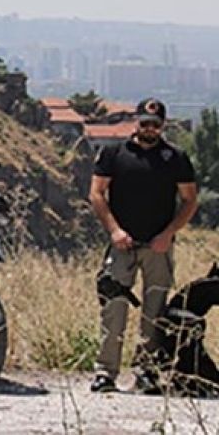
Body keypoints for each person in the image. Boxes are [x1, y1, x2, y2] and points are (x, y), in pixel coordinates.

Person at [89, 98, 198, 394]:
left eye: (156, 124)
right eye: (145, 123)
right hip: (122, 243)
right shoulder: (114, 153)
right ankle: (105, 372)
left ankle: (145, 371)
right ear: (136, 122)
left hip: (158, 246)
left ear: (163, 125)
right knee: (113, 307)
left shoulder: (175, 157)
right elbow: (97, 193)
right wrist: (114, 231)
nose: (149, 129)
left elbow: (190, 200)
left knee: (154, 311)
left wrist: (169, 233)